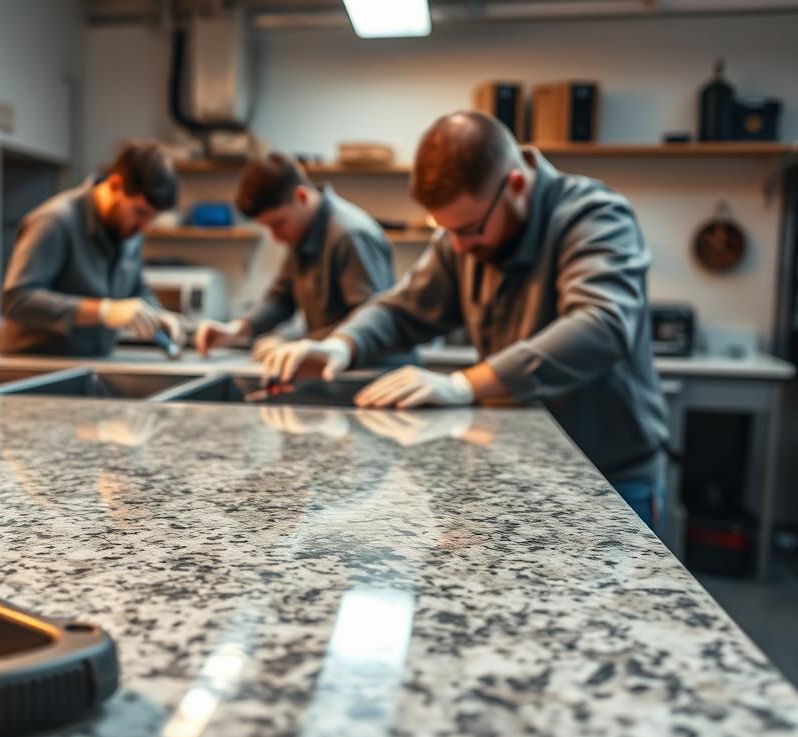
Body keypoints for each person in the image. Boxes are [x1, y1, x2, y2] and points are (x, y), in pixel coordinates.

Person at [261, 111, 669, 529]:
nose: (458, 246)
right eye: (446, 229)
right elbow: (400, 309)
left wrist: (464, 384)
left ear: (514, 185)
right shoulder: (461, 237)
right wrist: (340, 345)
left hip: (606, 478)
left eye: (470, 230)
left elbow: (601, 323)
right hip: (515, 469)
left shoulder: (594, 215)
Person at [194, 153, 394, 361]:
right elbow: (282, 298)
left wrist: (294, 343)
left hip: (375, 372)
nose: (275, 236)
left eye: (278, 224)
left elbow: (369, 319)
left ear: (301, 197)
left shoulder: (350, 236)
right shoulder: (303, 232)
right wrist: (238, 330)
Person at [0, 140, 186, 357]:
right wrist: (104, 311)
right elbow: (16, 301)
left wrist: (158, 314)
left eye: (153, 218)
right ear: (116, 185)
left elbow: (135, 288)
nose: (145, 227)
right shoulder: (54, 221)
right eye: (141, 212)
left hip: (92, 363)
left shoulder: (129, 232)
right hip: (35, 369)